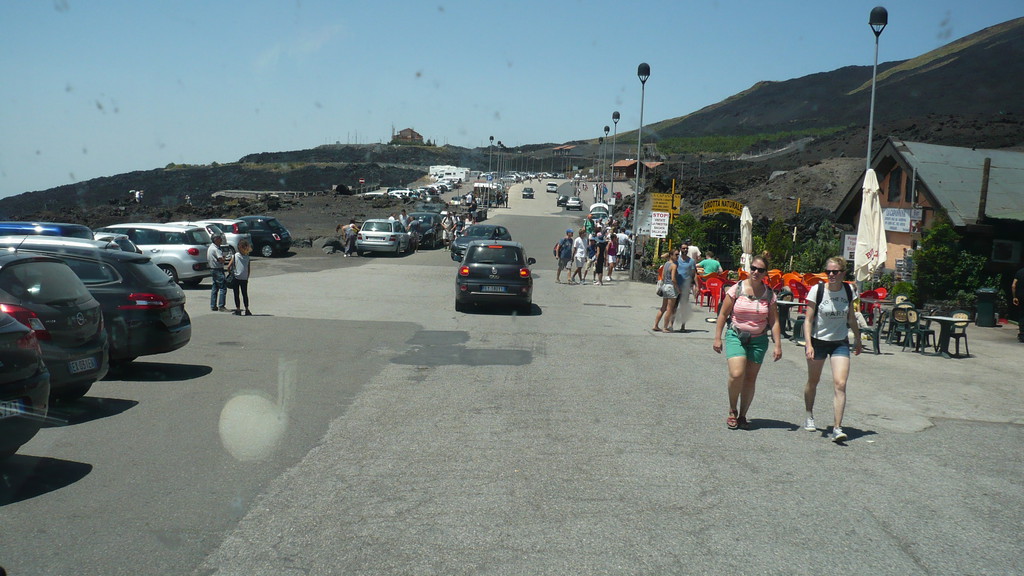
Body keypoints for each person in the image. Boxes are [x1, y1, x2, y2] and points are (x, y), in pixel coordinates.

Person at [712, 255, 782, 429]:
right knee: (737, 374)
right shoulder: (737, 289)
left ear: (765, 273)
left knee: (750, 379)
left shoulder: (769, 294)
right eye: (753, 268)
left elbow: (774, 321)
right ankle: (732, 409)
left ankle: (743, 415)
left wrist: (778, 345)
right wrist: (717, 337)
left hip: (758, 340)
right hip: (736, 336)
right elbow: (723, 314)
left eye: (760, 270)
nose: (756, 272)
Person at [803, 257, 862, 442]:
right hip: (818, 341)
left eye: (835, 272)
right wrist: (808, 344)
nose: (831, 275)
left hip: (840, 342)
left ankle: (837, 427)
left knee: (840, 384)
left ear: (843, 273)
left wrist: (858, 339)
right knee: (813, 381)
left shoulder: (848, 290)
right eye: (828, 271)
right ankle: (809, 414)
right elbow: (808, 320)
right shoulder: (817, 290)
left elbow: (851, 317)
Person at [653, 250, 680, 332]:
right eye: (676, 254)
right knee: (670, 308)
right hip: (671, 287)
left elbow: (663, 276)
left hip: (665, 285)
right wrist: (678, 288)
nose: (677, 256)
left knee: (663, 307)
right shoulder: (674, 265)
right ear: (671, 255)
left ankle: (655, 325)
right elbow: (673, 279)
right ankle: (665, 327)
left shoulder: (666, 264)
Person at [674, 242, 698, 332]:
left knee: (683, 307)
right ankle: (670, 324)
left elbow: (694, 274)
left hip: (685, 287)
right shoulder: (677, 260)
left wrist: (697, 286)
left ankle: (683, 326)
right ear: (680, 249)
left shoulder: (691, 261)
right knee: (674, 306)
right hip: (676, 286)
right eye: (683, 248)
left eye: (686, 248)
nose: (685, 250)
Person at [227, 238, 253, 315]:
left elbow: (228, 266)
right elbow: (248, 268)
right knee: (244, 294)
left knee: (236, 294)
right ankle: (247, 309)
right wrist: (247, 277)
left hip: (236, 277)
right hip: (244, 278)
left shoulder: (235, 256)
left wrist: (231, 273)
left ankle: (238, 309)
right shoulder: (247, 257)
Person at [207, 234, 229, 311]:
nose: (221, 240)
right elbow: (221, 259)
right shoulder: (216, 249)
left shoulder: (210, 247)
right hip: (218, 269)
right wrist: (224, 258)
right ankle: (221, 306)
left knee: (215, 287)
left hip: (212, 269)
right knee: (223, 287)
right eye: (219, 239)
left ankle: (213, 305)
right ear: (215, 240)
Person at [1014, 265, 1024, 343]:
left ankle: (1022, 334)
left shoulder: (1019, 272)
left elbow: (1013, 285)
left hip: (1021, 296)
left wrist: (1014, 297)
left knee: (1022, 315)